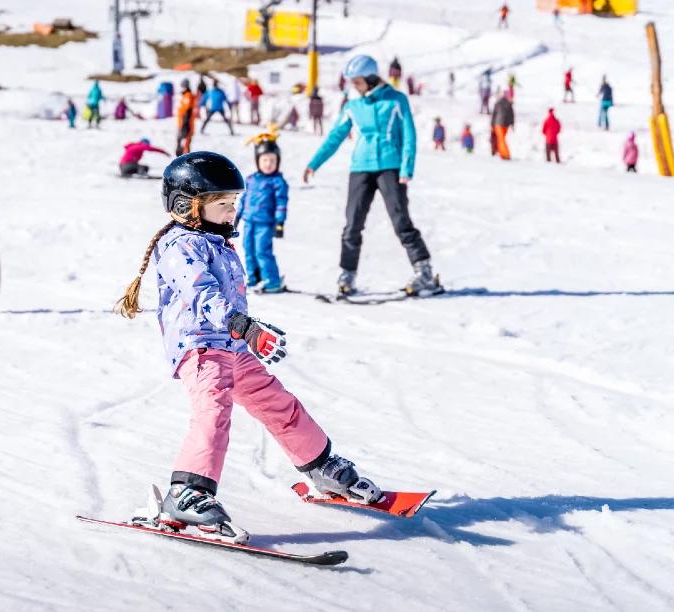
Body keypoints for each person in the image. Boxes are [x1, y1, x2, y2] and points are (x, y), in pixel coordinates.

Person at [113, 151, 382, 540]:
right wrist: (241, 324)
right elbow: (202, 295)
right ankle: (188, 491)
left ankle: (319, 465)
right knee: (213, 411)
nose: (231, 212)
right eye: (223, 205)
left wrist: (248, 330)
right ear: (185, 206)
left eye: (234, 203)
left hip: (232, 347)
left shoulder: (215, 240)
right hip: (201, 348)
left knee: (279, 403)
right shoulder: (179, 246)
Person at [303, 54, 442, 298]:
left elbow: (409, 134)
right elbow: (335, 135)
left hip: (391, 166)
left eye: (357, 82)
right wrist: (314, 163)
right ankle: (347, 274)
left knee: (401, 221)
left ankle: (425, 273)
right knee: (352, 224)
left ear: (370, 77)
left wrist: (407, 167)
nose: (353, 87)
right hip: (361, 167)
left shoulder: (396, 100)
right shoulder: (352, 105)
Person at [236, 138, 289, 293]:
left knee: (262, 251)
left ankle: (272, 281)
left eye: (272, 160)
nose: (268, 164)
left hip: (265, 223)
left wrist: (280, 223)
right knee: (248, 249)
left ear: (278, 161)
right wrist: (237, 216)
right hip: (249, 221)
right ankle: (254, 278)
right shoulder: (251, 179)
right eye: (264, 160)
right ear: (257, 161)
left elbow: (281, 203)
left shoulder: (278, 182)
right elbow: (244, 199)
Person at [175, 79, 198, 155]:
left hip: (186, 123)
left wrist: (185, 125)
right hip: (182, 123)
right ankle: (181, 155)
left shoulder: (188, 96)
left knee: (186, 142)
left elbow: (188, 111)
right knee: (181, 141)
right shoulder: (185, 95)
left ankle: (185, 158)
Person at [491, 93, 514, 160]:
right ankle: (502, 154)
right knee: (502, 139)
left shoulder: (497, 103)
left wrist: (492, 124)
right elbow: (512, 115)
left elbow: (494, 115)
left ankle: (505, 154)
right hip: (506, 125)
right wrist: (512, 124)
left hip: (498, 124)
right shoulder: (508, 104)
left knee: (501, 139)